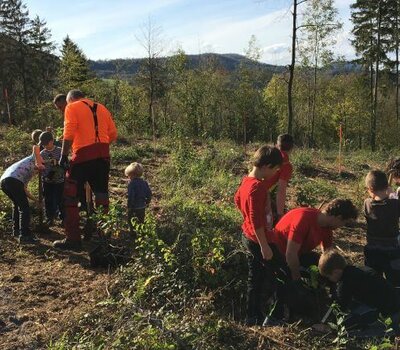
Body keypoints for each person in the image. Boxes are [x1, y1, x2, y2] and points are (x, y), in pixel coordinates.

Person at [54, 89, 117, 250]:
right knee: (102, 195)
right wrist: (99, 146)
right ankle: (104, 237)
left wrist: (63, 155)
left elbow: (69, 132)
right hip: (103, 156)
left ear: (71, 100)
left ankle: (73, 239)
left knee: (70, 195)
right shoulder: (102, 107)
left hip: (82, 155)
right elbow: (113, 134)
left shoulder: (72, 107)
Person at [234, 145, 283, 326]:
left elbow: (237, 200)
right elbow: (256, 220)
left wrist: (245, 217)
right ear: (267, 166)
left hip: (248, 235)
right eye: (275, 170)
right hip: (258, 240)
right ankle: (273, 316)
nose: (275, 174)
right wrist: (264, 246)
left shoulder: (246, 181)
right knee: (278, 275)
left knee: (255, 277)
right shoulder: (258, 187)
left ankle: (252, 316)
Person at [273, 199, 358, 281]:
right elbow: (290, 254)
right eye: (344, 223)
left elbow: (328, 256)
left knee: (324, 267)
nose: (342, 226)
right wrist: (297, 279)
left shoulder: (327, 229)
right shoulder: (304, 219)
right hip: (277, 253)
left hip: (298, 254)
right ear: (339, 217)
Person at [319, 249, 400, 334]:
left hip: (387, 311)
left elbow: (339, 307)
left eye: (329, 277)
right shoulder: (358, 270)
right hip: (394, 300)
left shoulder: (346, 282)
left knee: (351, 326)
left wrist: (326, 324)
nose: (329, 280)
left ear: (336, 272)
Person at [363, 170, 400, 286]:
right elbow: (393, 203)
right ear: (386, 186)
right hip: (392, 250)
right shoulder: (395, 204)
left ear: (370, 189)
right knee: (395, 281)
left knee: (373, 280)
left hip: (372, 250)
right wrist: (392, 194)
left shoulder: (367, 203)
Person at [0, 153, 40, 243]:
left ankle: (16, 231)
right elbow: (36, 148)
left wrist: (36, 200)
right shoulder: (34, 158)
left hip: (4, 181)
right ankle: (25, 235)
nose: (37, 173)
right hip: (13, 181)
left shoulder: (24, 169)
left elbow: (24, 190)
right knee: (24, 208)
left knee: (17, 204)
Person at [264, 134, 294, 226]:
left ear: (277, 145)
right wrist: (280, 214)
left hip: (249, 186)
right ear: (292, 148)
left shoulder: (267, 153)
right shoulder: (286, 165)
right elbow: (281, 190)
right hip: (261, 192)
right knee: (270, 222)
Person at [39, 131, 64, 226]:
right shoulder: (42, 153)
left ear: (52, 141)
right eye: (43, 144)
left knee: (61, 200)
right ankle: (50, 218)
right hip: (47, 181)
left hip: (59, 181)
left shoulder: (60, 151)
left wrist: (58, 163)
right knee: (48, 200)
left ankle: (63, 218)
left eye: (46, 143)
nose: (45, 146)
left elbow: (66, 163)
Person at [125, 162, 152, 232]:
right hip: (142, 206)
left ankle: (132, 234)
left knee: (130, 220)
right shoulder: (144, 182)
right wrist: (147, 202)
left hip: (134, 206)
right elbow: (149, 194)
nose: (128, 177)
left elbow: (131, 196)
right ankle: (141, 233)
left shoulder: (131, 184)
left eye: (128, 175)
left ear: (132, 174)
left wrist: (129, 206)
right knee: (141, 221)